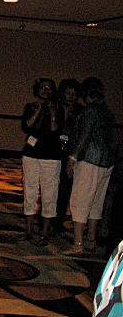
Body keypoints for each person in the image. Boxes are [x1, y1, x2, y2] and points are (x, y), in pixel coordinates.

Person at [64, 77, 116, 255]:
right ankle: (91, 240)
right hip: (106, 161)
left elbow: (85, 136)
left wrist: (73, 157)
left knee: (80, 200)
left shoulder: (91, 111)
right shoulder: (107, 111)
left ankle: (78, 243)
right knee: (96, 202)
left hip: (90, 160)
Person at [20, 78, 63, 245]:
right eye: (43, 87)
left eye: (49, 88)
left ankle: (44, 232)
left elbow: (55, 129)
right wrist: (37, 111)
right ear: (37, 89)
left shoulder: (58, 109)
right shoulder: (30, 107)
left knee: (49, 193)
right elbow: (26, 126)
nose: (45, 90)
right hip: (31, 154)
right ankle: (29, 230)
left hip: (51, 156)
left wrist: (52, 113)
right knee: (29, 190)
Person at [52, 78, 83, 234]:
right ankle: (47, 217)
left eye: (74, 94)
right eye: (68, 93)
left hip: (70, 152)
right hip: (53, 150)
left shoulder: (80, 111)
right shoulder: (55, 107)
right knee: (50, 185)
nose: (71, 97)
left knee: (65, 188)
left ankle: (59, 220)